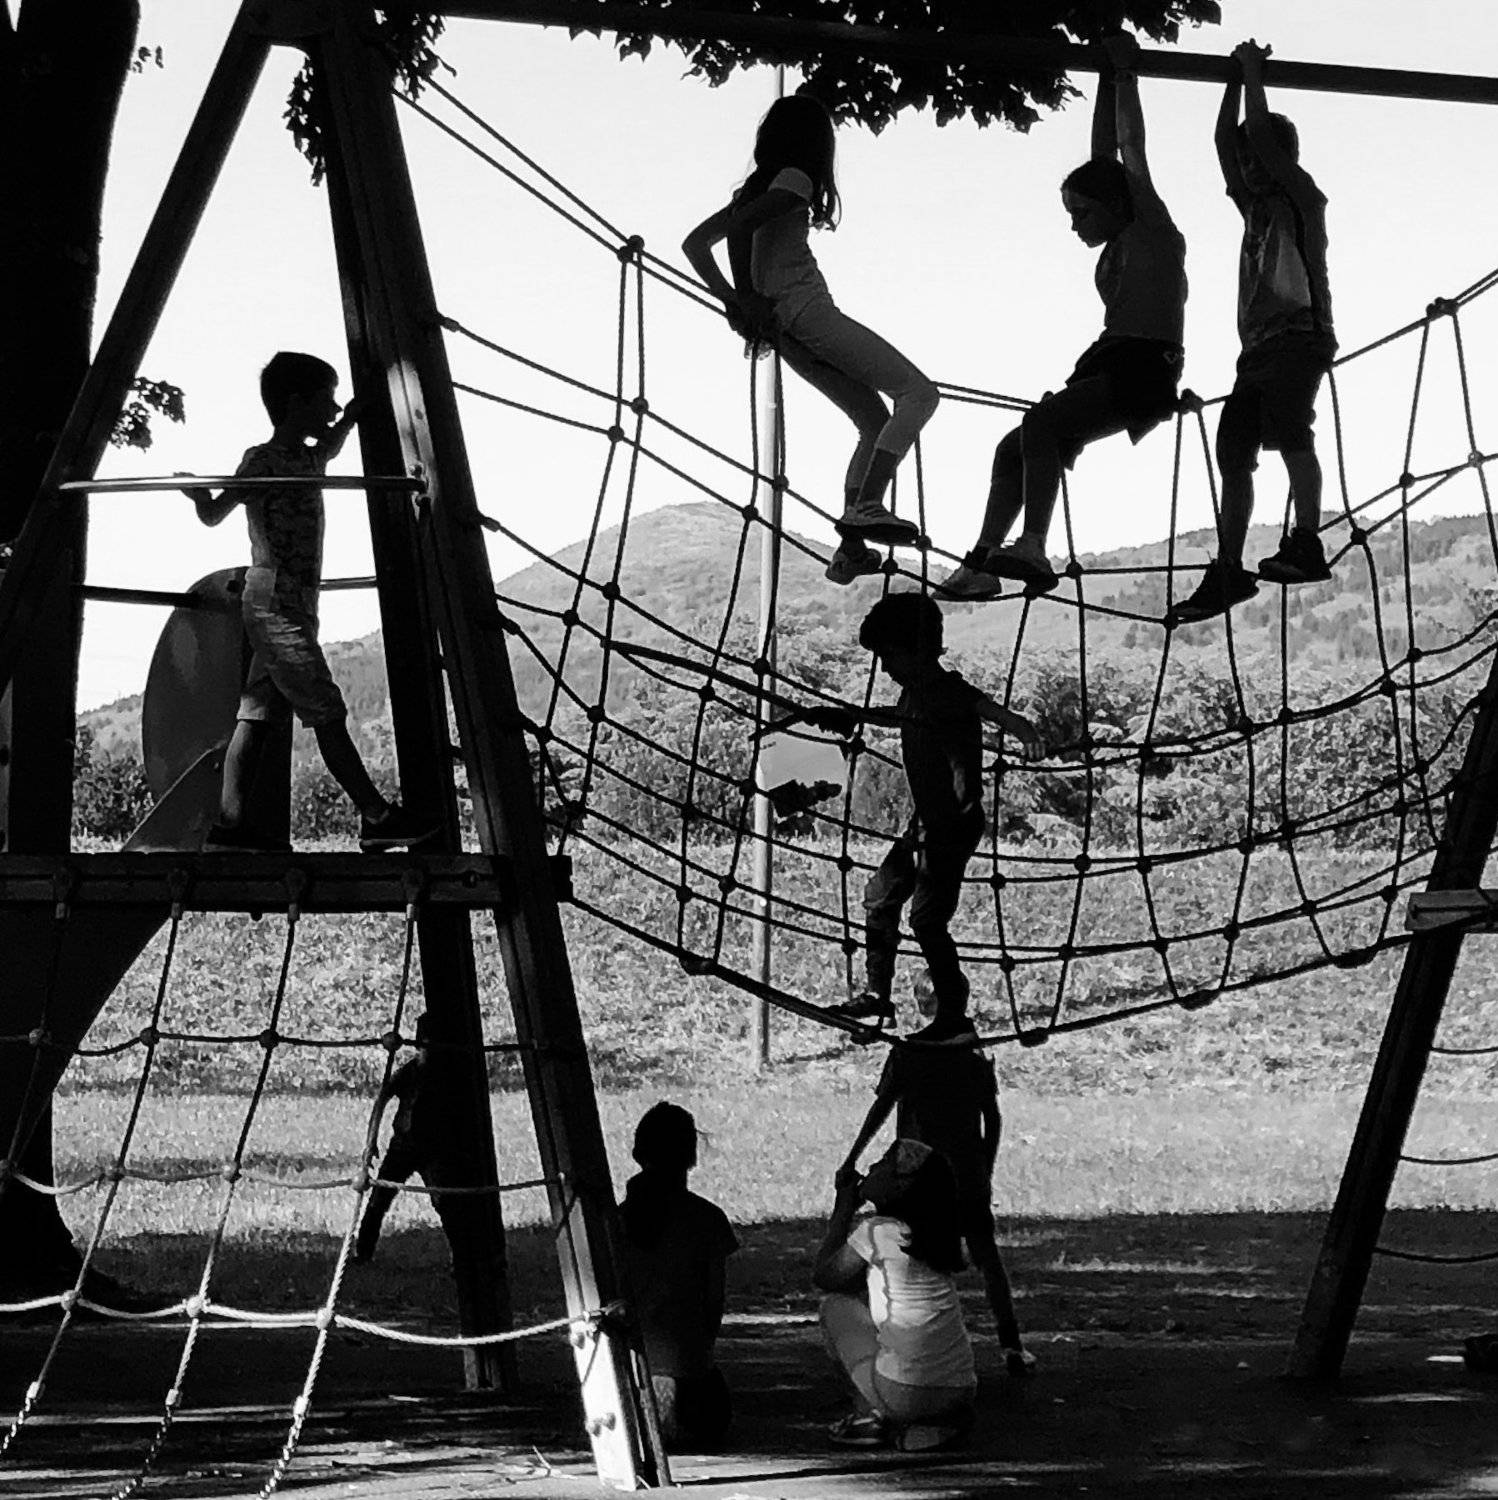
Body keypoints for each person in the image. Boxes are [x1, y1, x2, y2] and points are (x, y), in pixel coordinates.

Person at [940, 32, 1186, 600]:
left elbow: (1129, 150)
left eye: (1082, 212)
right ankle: (981, 562)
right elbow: (1103, 158)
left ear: (1115, 204)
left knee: (1041, 425)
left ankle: (1033, 543)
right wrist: (1103, 74)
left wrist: (1126, 74)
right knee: (1015, 448)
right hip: (1111, 361)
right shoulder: (1119, 240)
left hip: (1145, 364)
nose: (1075, 223)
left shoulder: (1152, 232)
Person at [682, 92, 939, 588]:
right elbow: (740, 230)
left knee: (873, 421)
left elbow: (696, 244)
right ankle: (867, 505)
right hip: (810, 315)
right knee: (919, 394)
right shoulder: (796, 179)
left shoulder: (752, 191)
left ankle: (851, 549)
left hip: (787, 335)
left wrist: (734, 300)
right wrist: (745, 296)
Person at [181, 352, 431, 852]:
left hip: (291, 602)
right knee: (325, 708)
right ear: (296, 404)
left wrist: (353, 416)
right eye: (326, 400)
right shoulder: (263, 461)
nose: (333, 410)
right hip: (276, 603)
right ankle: (376, 816)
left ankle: (231, 828)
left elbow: (331, 445)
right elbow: (216, 512)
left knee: (257, 713)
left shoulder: (307, 458)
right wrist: (200, 495)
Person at [824, 593, 1043, 1040]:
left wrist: (1027, 734)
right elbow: (901, 716)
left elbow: (996, 713)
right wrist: (853, 715)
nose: (885, 667)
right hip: (925, 824)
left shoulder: (949, 691)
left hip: (950, 827)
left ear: (916, 651)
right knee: (880, 896)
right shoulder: (915, 693)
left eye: (889, 656)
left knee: (926, 920)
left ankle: (952, 1019)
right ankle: (878, 997)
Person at [1171, 39, 1337, 625]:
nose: (1250, 168)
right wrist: (1232, 83)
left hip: (1300, 334)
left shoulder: (1303, 200)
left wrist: (1252, 74)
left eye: (1261, 159)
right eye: (1246, 163)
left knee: (1293, 430)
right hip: (1257, 348)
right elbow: (1226, 144)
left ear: (1287, 159)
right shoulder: (1253, 207)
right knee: (1233, 446)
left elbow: (1259, 139)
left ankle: (1307, 538)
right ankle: (1229, 566)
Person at [840, 970, 1032, 1376]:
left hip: (916, 1175)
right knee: (986, 1256)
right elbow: (993, 1119)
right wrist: (984, 1168)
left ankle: (894, 1342)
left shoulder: (910, 1052)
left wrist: (853, 1157)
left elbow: (882, 1107)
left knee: (896, 1253)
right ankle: (1011, 1344)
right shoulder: (973, 1054)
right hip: (964, 1171)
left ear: (923, 1004)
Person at [815, 1139, 976, 1451]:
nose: (873, 1167)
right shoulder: (942, 1238)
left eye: (884, 1163)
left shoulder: (877, 1232)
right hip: (960, 1386)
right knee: (881, 1317)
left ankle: (869, 1417)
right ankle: (935, 1425)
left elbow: (825, 1277)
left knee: (834, 1307)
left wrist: (843, 1209)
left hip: (904, 1390)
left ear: (902, 1186)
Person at [620, 1102, 739, 1451]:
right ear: (691, 1157)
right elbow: (713, 1303)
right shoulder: (709, 1220)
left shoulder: (616, 1222)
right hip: (695, 1398)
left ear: (637, 1154)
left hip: (632, 1392)